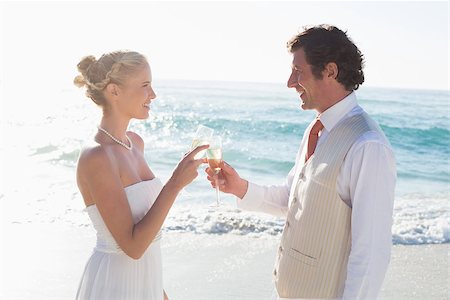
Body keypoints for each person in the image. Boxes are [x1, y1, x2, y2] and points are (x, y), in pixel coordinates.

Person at [206, 25, 396, 299]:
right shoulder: (315, 130)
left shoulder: (368, 146)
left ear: (330, 71)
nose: (290, 82)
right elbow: (292, 199)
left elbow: (372, 253)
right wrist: (239, 188)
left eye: (298, 71)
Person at [74, 50, 208, 300]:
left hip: (146, 283)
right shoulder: (97, 156)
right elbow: (133, 246)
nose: (153, 94)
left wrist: (158, 291)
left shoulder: (135, 143)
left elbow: (147, 239)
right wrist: (175, 184)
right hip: (114, 287)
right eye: (145, 85)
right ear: (114, 91)